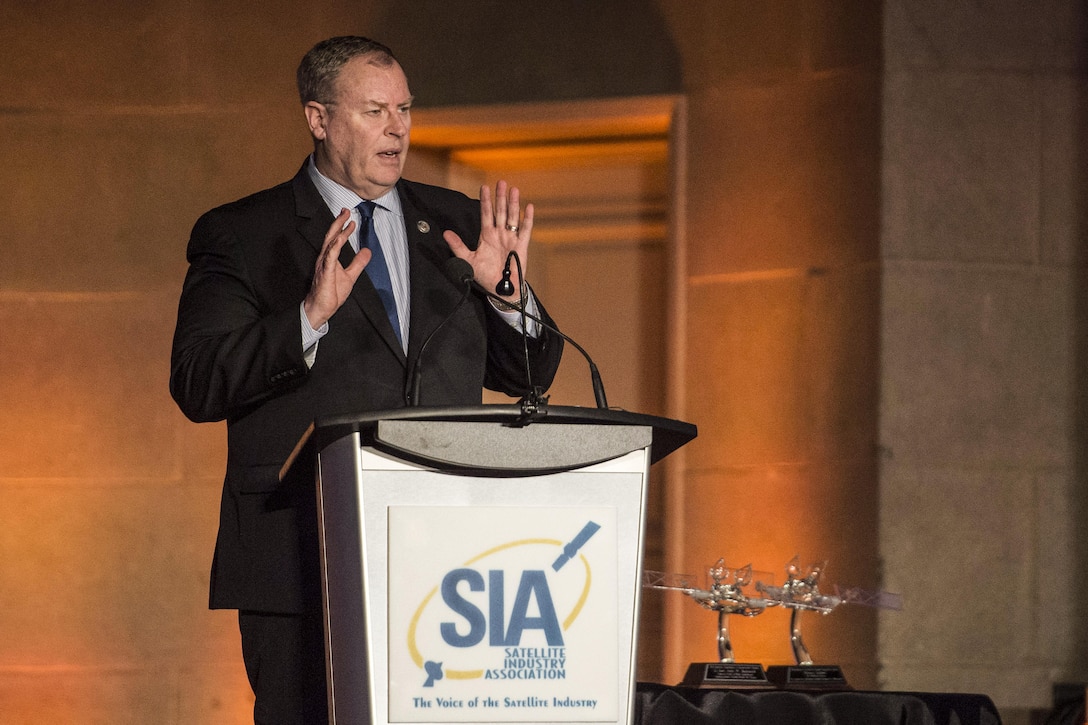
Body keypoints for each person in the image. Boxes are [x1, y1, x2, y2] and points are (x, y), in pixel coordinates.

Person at [169, 36, 564, 724]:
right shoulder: (244, 234)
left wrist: (508, 297)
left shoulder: (456, 224)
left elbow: (528, 373)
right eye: (375, 110)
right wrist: (307, 318)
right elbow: (199, 381)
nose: (398, 128)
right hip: (303, 568)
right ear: (319, 119)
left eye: (405, 109)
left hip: (451, 572)